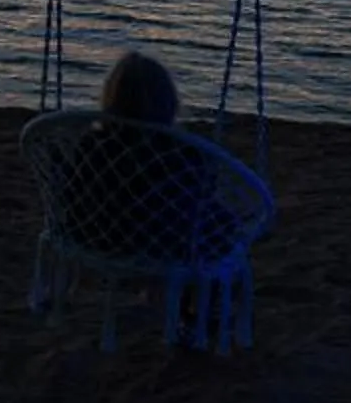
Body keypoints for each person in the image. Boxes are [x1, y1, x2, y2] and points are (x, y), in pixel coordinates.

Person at [64, 50, 230, 263]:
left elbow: (74, 190)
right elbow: (199, 196)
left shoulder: (92, 145)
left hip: (92, 237)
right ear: (168, 101)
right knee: (216, 222)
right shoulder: (183, 153)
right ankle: (171, 293)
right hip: (161, 246)